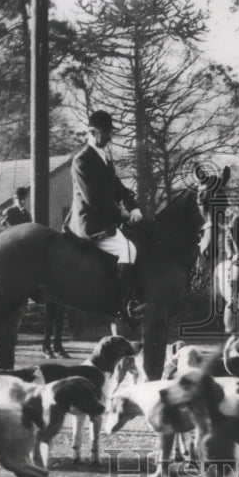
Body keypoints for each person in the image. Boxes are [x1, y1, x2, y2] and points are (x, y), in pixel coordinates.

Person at [62, 110, 145, 322]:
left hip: (104, 219)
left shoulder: (103, 158)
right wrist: (124, 216)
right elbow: (94, 199)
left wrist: (133, 206)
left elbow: (117, 187)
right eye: (104, 133)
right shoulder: (82, 160)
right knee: (129, 249)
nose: (108, 137)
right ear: (91, 132)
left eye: (109, 133)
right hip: (90, 223)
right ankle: (122, 305)